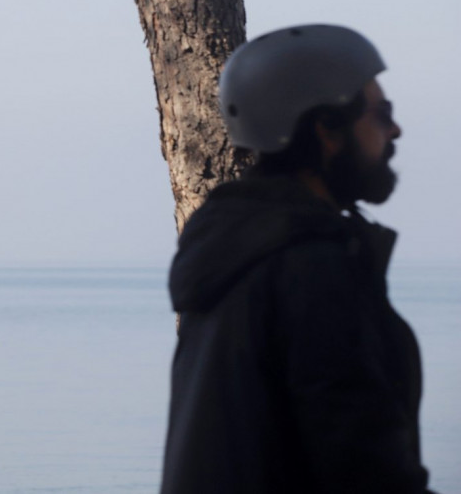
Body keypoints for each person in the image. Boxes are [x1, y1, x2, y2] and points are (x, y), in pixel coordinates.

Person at [160, 24, 434, 493]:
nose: (395, 129)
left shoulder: (233, 253)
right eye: (380, 113)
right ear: (326, 128)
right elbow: (363, 466)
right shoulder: (310, 267)